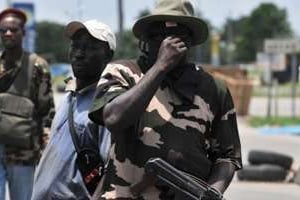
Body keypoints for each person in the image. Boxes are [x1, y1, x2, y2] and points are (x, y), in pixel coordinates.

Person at [88, 0, 242, 199]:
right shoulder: (123, 72)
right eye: (157, 35)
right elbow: (114, 119)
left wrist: (212, 192)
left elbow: (227, 156)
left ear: (190, 41)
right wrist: (160, 67)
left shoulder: (212, 88)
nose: (167, 42)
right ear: (144, 40)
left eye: (176, 35)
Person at [31, 19, 115, 200]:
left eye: (90, 48)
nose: (79, 54)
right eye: (75, 46)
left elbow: (110, 171)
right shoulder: (70, 95)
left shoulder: (106, 104)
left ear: (108, 55)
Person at [0, 8, 55, 200]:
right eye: (3, 30)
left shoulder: (37, 66)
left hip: (23, 153)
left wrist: (45, 151)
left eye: (13, 30)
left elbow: (47, 112)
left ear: (23, 32)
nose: (8, 34)